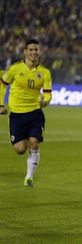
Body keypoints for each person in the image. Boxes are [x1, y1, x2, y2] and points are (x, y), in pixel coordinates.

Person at [0, 39, 53, 187]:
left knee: (34, 143)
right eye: (31, 50)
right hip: (16, 114)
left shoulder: (45, 73)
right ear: (25, 52)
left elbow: (48, 94)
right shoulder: (15, 69)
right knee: (20, 149)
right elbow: (2, 85)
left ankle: (29, 178)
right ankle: (28, 173)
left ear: (39, 52)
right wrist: (1, 105)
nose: (34, 52)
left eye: (36, 49)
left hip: (35, 113)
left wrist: (46, 101)